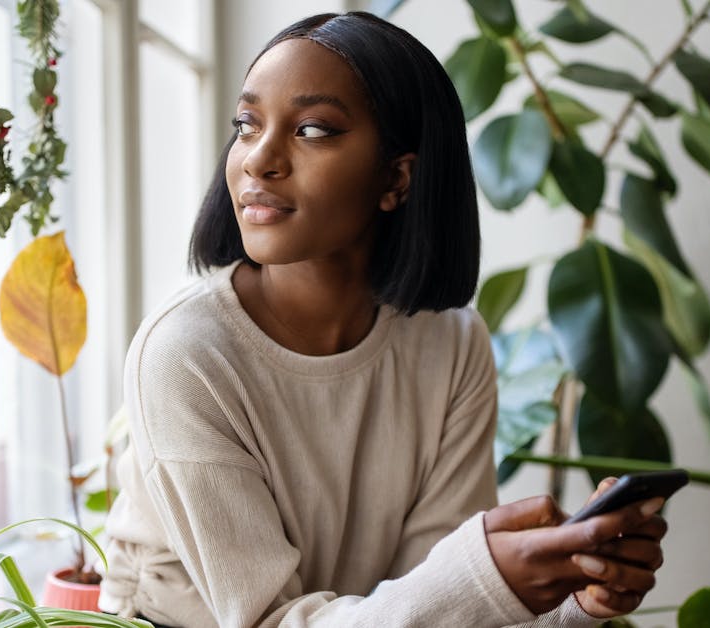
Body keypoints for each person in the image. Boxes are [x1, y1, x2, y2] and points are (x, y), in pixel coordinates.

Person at [98, 11, 668, 628]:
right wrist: (482, 578)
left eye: (312, 129)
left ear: (397, 177)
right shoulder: (185, 353)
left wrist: (581, 599)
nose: (258, 160)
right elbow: (273, 621)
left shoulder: (451, 344)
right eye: (247, 124)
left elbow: (435, 609)